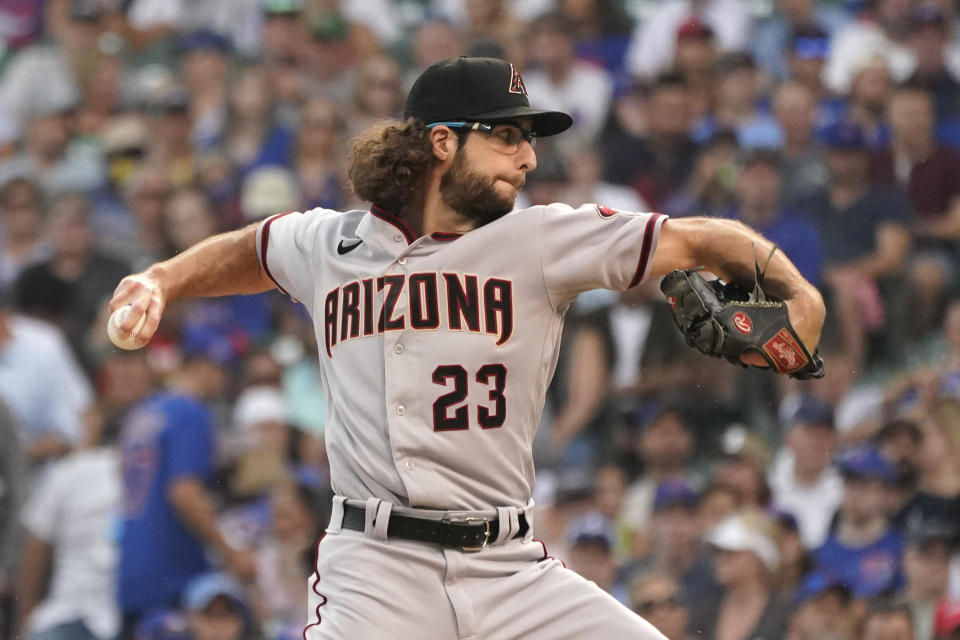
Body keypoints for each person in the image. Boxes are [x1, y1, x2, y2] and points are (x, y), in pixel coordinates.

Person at [109, 56, 825, 639]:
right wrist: (161, 279)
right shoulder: (332, 243)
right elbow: (252, 251)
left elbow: (704, 240)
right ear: (443, 141)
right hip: (377, 569)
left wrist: (804, 299)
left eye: (530, 138)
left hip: (510, 568)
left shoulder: (541, 240)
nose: (527, 155)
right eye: (506, 135)